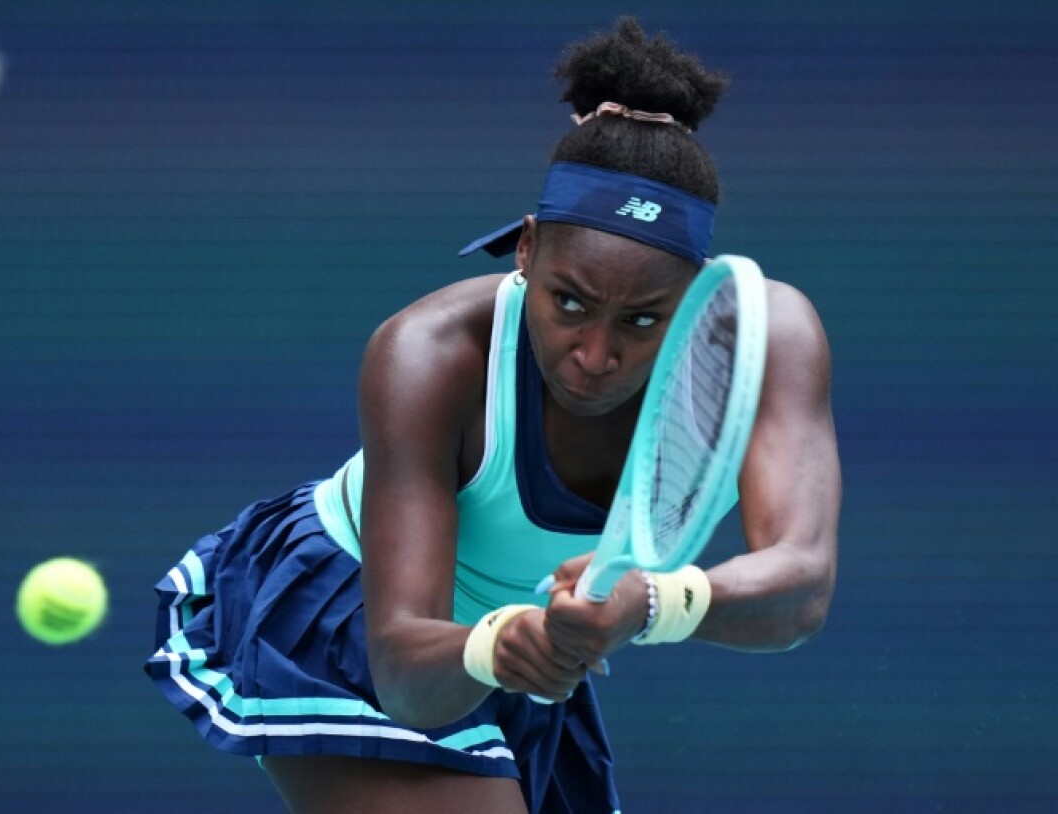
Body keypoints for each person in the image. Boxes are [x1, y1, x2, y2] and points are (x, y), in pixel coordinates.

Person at [145, 17, 840, 814]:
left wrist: (646, 606)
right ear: (527, 250)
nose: (594, 354)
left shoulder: (766, 339)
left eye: (643, 320)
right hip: (351, 629)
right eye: (569, 302)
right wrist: (499, 643)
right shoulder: (428, 354)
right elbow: (405, 670)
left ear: (697, 293)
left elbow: (800, 591)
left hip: (526, 648)